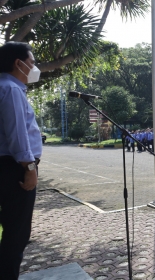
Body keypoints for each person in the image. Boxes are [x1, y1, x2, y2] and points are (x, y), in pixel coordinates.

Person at [0, 42, 43, 280]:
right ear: (19, 63)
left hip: (6, 167)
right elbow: (17, 133)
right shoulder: (11, 89)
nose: (34, 68)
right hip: (14, 170)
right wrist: (29, 168)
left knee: (11, 231)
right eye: (32, 63)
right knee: (16, 234)